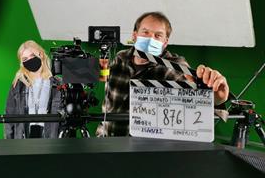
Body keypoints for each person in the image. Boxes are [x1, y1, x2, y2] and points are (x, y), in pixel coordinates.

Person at [96, 11, 229, 137]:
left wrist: (216, 98)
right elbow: (99, 78)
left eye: (158, 35)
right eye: (145, 32)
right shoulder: (120, 57)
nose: (150, 39)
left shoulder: (175, 67)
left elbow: (197, 101)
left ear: (165, 43)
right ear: (135, 36)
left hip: (145, 151)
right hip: (107, 139)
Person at [4, 40, 62, 139]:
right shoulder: (19, 84)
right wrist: (8, 142)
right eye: (25, 58)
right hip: (24, 139)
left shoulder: (57, 83)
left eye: (32, 55)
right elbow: (9, 115)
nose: (29, 60)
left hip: (51, 139)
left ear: (41, 54)